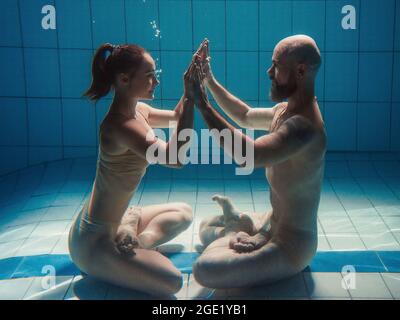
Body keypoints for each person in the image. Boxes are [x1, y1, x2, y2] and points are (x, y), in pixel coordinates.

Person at [192, 35, 327, 288]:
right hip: (271, 222)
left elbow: (251, 156)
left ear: (300, 71)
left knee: (204, 269)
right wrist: (209, 79)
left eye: (276, 65)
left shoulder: (304, 127)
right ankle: (241, 228)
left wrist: (203, 106)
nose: (269, 72)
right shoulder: (284, 112)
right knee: (205, 227)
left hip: (292, 244)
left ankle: (238, 230)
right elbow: (244, 115)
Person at [68, 43, 203, 296]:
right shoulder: (120, 126)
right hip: (93, 242)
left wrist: (192, 80)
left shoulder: (139, 111)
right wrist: (189, 94)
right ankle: (123, 240)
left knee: (183, 212)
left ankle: (136, 239)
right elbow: (175, 159)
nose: (156, 81)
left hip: (106, 222)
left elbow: (177, 115)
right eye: (150, 75)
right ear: (124, 79)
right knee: (172, 282)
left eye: (155, 74)